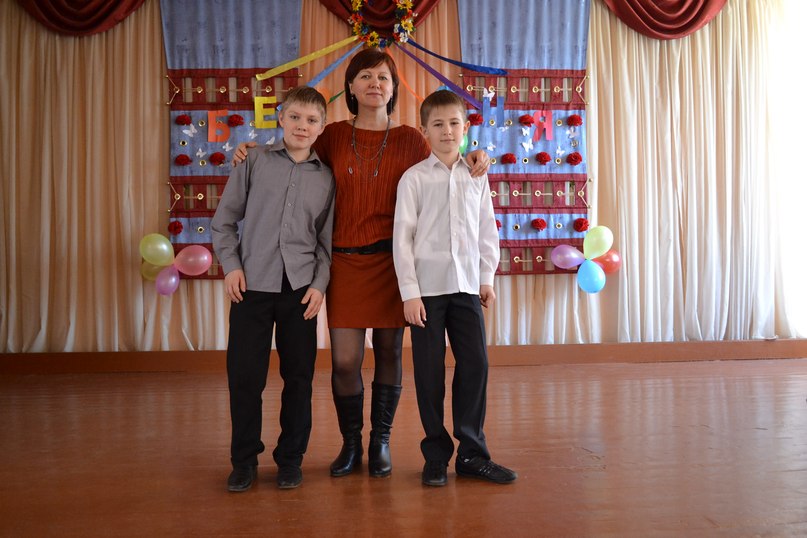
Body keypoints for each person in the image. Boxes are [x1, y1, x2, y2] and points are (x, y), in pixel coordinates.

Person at [233, 48, 490, 479]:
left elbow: (445, 159)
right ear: (350, 86)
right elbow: (294, 150)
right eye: (366, 76)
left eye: (383, 77)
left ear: (393, 89)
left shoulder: (410, 138)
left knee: (389, 352)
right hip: (345, 264)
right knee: (346, 361)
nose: (375, 83)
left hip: (392, 264)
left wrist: (477, 155)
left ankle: (380, 442)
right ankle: (350, 443)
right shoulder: (331, 135)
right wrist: (249, 150)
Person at [211, 86, 335, 492]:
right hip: (252, 286)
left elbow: (325, 243)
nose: (302, 126)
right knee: (245, 377)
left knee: (299, 378)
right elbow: (224, 222)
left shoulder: (326, 178)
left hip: (300, 291)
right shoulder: (253, 161)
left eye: (311, 120)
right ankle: (244, 461)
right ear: (281, 118)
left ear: (321, 127)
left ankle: (290, 459)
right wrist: (231, 267)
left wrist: (319, 285)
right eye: (295, 117)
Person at [392, 89, 517, 487]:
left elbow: (486, 231)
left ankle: (472, 454)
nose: (447, 131)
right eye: (438, 124)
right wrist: (409, 293)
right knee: (429, 373)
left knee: (475, 365)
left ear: (466, 128)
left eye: (454, 123)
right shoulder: (414, 179)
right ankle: (435, 455)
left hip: (465, 288)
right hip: (426, 292)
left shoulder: (476, 175)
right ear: (424, 131)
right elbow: (402, 238)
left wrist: (486, 278)